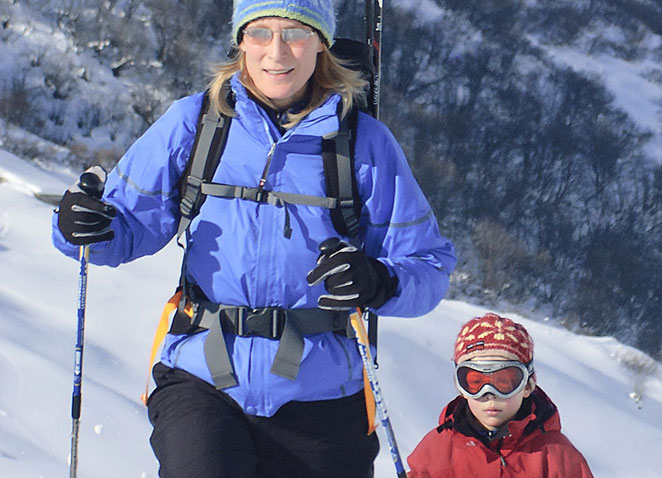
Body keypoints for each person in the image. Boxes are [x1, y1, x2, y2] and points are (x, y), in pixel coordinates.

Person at [52, 0, 456, 476]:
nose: (276, 51)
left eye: (295, 33)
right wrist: (84, 228)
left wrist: (379, 281)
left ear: (322, 44)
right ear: (240, 41)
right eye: (260, 32)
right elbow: (125, 227)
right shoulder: (197, 123)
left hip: (322, 393)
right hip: (201, 378)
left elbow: (428, 265)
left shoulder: (363, 143)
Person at [407, 313, 594, 478]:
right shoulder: (439, 449)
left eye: (504, 382)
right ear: (460, 387)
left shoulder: (555, 455)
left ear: (527, 386)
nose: (490, 395)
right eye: (476, 382)